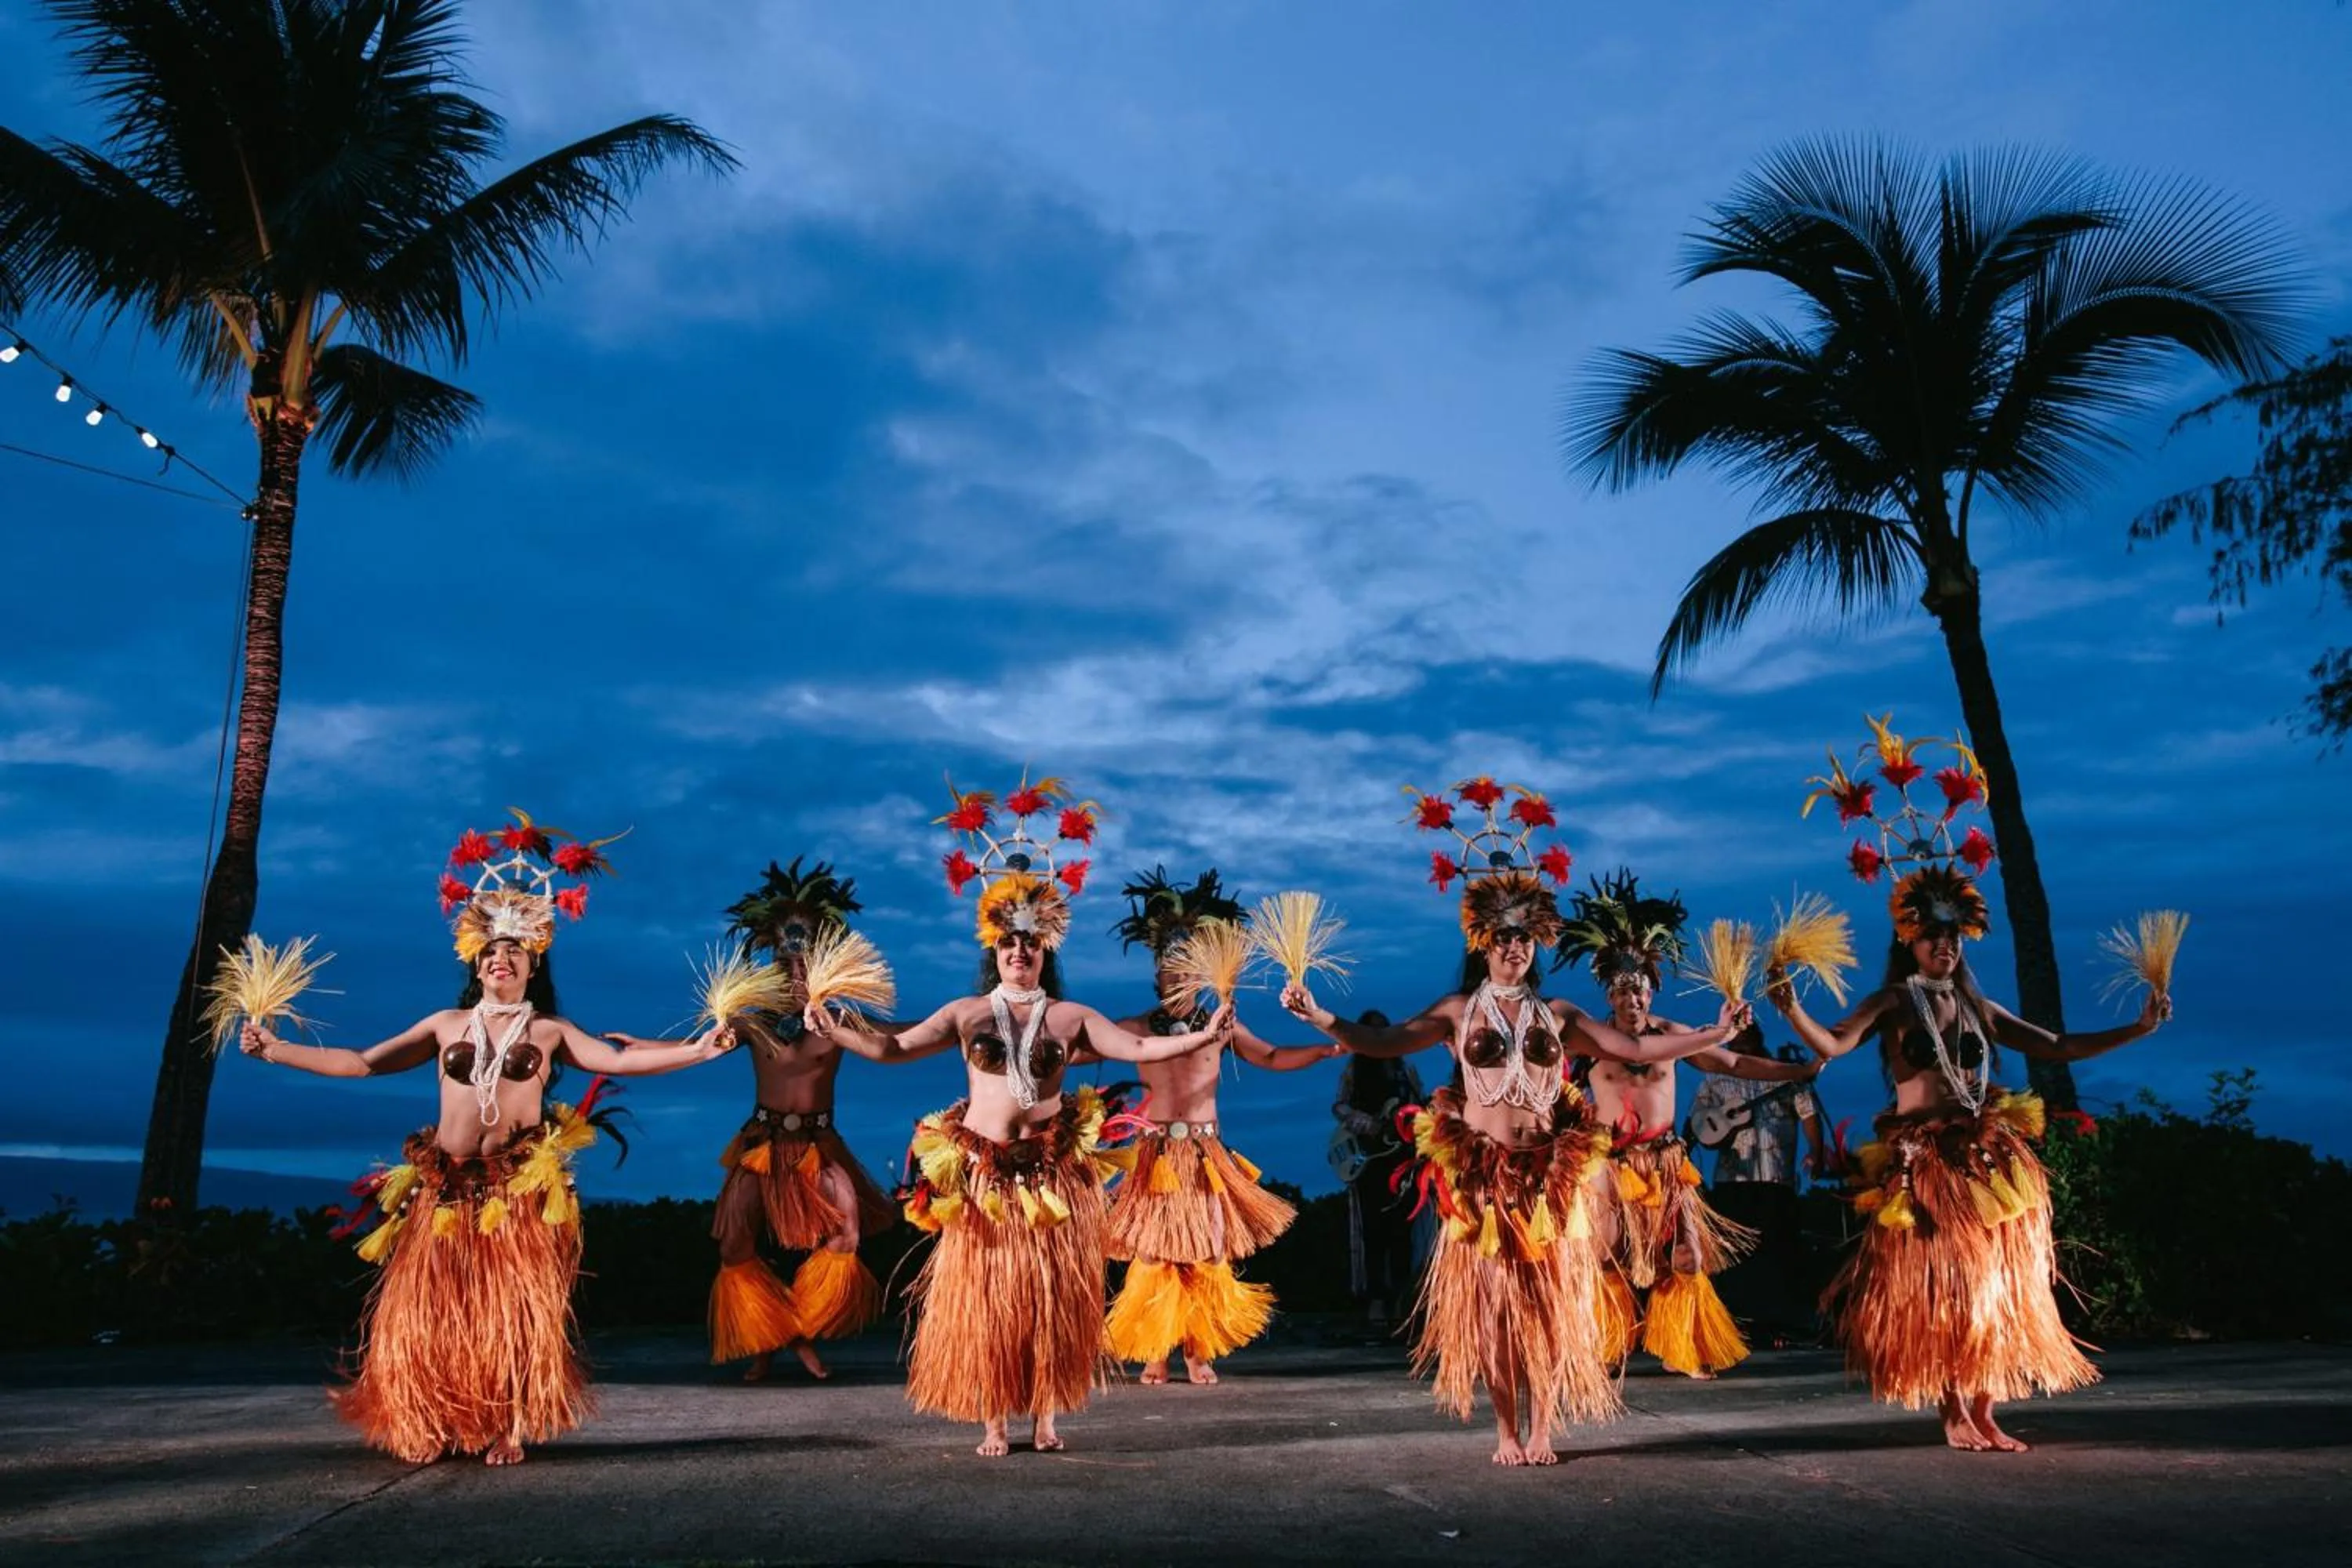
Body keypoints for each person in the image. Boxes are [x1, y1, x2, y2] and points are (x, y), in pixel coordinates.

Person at [239, 812, 734, 1465]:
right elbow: (361, 1062)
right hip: (443, 1186)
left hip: (515, 1190)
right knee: (433, 1311)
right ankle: (437, 1416)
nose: (501, 960)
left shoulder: (551, 1031)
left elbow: (618, 1062)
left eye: (515, 953)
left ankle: (511, 1425)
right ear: (476, 964)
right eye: (492, 953)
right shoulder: (446, 1024)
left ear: (533, 965)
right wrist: (275, 1049)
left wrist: (698, 1051)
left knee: (514, 1312)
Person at [1282, 776, 1749, 1465]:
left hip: (1549, 1176)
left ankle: (1545, 1428)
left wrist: (1711, 1035)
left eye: (1525, 937)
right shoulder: (1456, 1011)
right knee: (1496, 1312)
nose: (1514, 949)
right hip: (1484, 1181)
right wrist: (1323, 1018)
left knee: (1552, 1308)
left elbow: (1638, 1046)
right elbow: (1383, 1043)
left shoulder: (1557, 1016)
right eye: (1503, 938)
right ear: (1482, 942)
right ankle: (1505, 1429)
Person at [1774, 717, 2171, 1452]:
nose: (1944, 945)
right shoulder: (1894, 1002)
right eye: (1931, 936)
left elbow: (2054, 1044)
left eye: (1953, 936)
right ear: (1909, 939)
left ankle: (1987, 1408)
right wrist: (1792, 1004)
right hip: (1925, 1163)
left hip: (1989, 1153)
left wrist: (2138, 1029)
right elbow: (1832, 1044)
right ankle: (1954, 1411)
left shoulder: (1977, 1005)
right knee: (1946, 1284)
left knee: (2002, 1282)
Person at [806, 775, 1229, 1456]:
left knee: (1050, 1298)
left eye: (1032, 944)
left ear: (1046, 950)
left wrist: (1206, 1036)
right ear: (994, 949)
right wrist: (836, 1028)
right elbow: (890, 1047)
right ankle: (996, 1421)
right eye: (1009, 943)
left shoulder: (1071, 1017)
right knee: (989, 1300)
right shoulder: (966, 1013)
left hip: (1053, 1178)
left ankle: (1046, 1417)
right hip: (985, 1180)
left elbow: (1142, 1046)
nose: (1020, 952)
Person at [608, 858, 895, 1383]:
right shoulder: (753, 1019)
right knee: (735, 1244)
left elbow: (902, 1039)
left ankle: (799, 1330)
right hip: (761, 1143)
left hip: (819, 1144)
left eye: (804, 961)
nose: (794, 972)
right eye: (785, 963)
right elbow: (700, 1048)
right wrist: (643, 1046)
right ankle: (770, 1337)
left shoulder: (844, 1020)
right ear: (771, 961)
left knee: (846, 1231)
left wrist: (962, 1025)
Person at [1557, 869, 1820, 1378]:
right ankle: (1606, 1348)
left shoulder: (1674, 1035)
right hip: (1609, 1163)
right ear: (1608, 997)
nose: (1631, 1000)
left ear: (1652, 994)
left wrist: (1799, 1069)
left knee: (1686, 1258)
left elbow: (1735, 1064)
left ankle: (1685, 1348)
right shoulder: (1590, 1041)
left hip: (1665, 1160)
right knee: (1605, 1252)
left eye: (1639, 992)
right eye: (1621, 992)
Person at [1094, 867, 1340, 1385]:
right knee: (1155, 1252)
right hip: (1154, 1154)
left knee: (1206, 1251)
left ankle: (1198, 1352)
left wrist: (1320, 1050)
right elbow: (1079, 1046)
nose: (1176, 978)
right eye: (1168, 970)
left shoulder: (1220, 1024)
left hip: (1205, 1154)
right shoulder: (1134, 1029)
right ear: (1157, 977)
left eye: (1186, 969)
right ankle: (1156, 1351)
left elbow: (1270, 1056)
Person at [1683, 1028, 1828, 1339]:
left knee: (1778, 1248)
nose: (1741, 1045)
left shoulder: (1785, 1075)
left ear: (1760, 1041)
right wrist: (1709, 1137)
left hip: (1776, 1176)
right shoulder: (1714, 1078)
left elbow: (1808, 1114)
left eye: (1748, 1040)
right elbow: (1696, 1120)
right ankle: (1735, 1322)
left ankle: (1781, 1323)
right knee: (1734, 1253)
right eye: (1736, 1042)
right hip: (1732, 1178)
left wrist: (1816, 1151)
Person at [1329, 1012, 1423, 1327]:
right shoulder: (1353, 1070)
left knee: (1402, 1229)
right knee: (1372, 1230)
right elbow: (1339, 1106)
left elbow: (1418, 1103)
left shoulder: (1404, 1069)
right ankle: (1375, 1301)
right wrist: (1366, 1124)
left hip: (1401, 1156)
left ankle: (1400, 1299)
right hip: (1369, 1159)